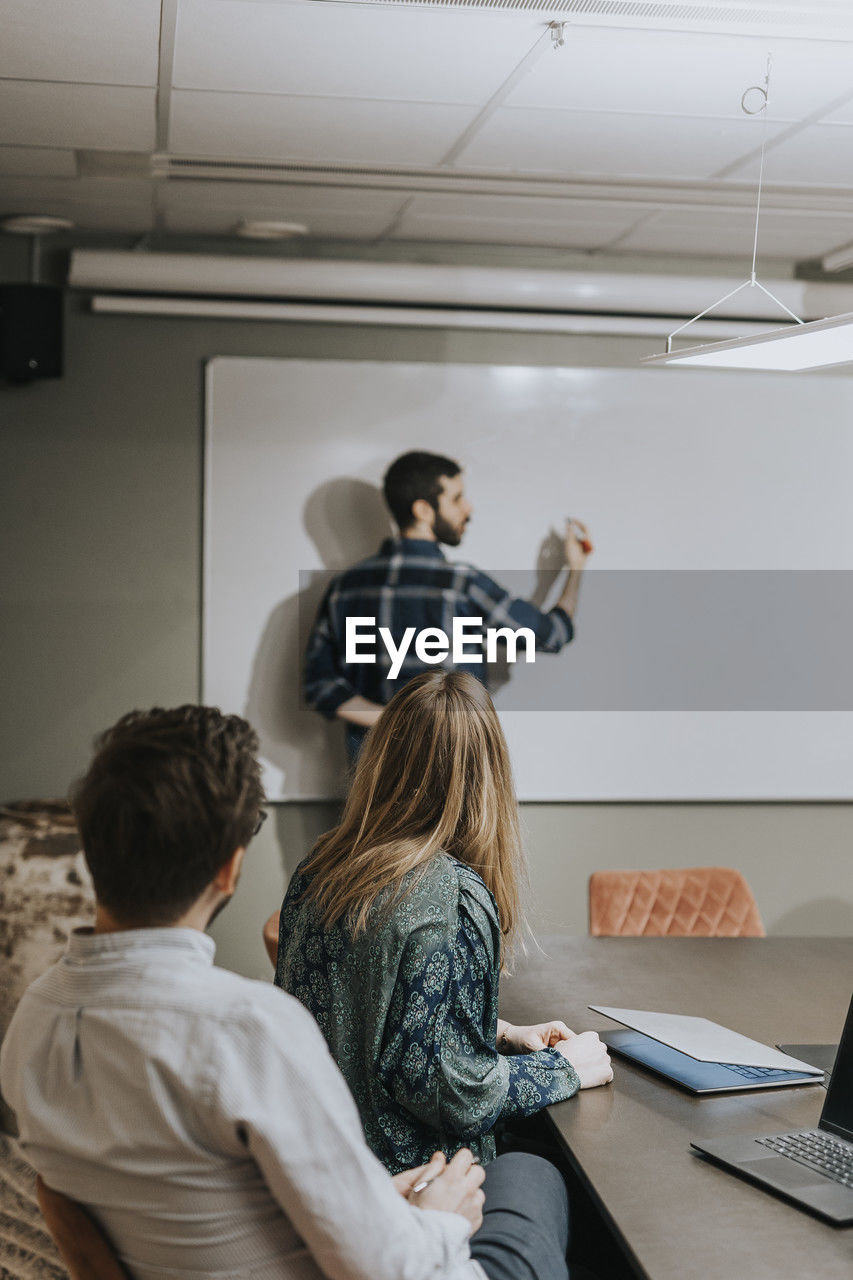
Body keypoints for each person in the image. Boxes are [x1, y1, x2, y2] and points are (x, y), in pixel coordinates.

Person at [0, 704, 577, 1280]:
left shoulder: (32, 1022)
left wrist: (383, 1207)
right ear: (230, 869)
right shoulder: (250, 1030)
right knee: (532, 1174)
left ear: (91, 849)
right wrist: (439, 1219)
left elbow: (207, 1208)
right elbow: (398, 1271)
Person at [275, 671, 612, 1175]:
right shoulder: (451, 896)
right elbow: (448, 1091)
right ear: (488, 773)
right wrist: (562, 1069)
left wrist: (499, 1034)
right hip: (417, 1188)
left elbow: (359, 1018)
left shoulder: (317, 870)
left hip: (318, 1170)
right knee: (546, 1176)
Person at [304, 449, 592, 758]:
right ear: (423, 510)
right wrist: (575, 570)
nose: (468, 509)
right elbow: (552, 634)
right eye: (456, 499)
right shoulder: (463, 585)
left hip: (373, 779)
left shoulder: (345, 588)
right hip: (451, 770)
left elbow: (320, 685)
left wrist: (392, 720)